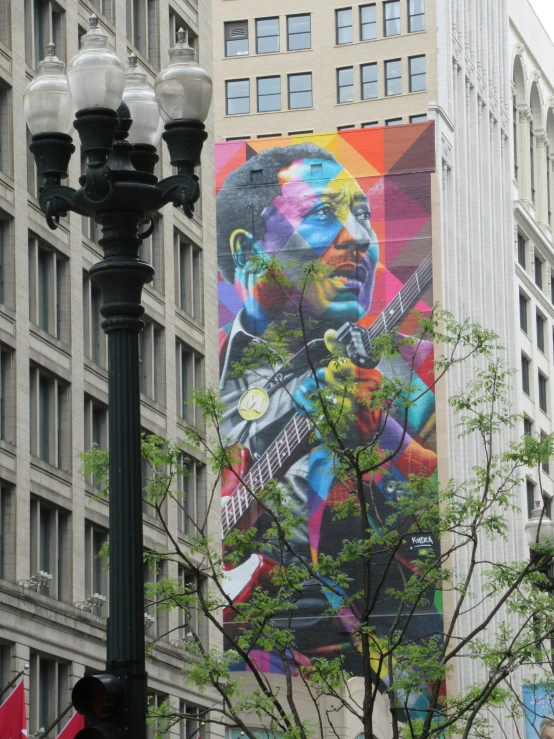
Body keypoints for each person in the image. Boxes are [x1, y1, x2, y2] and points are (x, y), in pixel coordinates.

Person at [217, 143, 439, 702]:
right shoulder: (192, 371)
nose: (358, 237)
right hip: (240, 679)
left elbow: (458, 506)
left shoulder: (414, 364)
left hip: (388, 679)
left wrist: (382, 434)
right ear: (248, 251)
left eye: (361, 212)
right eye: (324, 213)